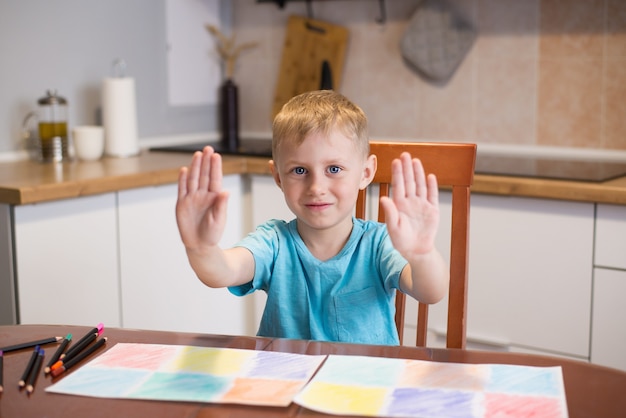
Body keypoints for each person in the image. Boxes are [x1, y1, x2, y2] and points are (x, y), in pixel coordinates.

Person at [175, 90, 448, 345]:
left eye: (334, 168)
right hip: (285, 383)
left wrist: (422, 254)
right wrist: (201, 248)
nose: (316, 187)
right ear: (278, 177)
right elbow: (222, 272)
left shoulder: (378, 243)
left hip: (365, 389)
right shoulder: (273, 241)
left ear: (365, 173)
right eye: (300, 171)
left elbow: (430, 292)